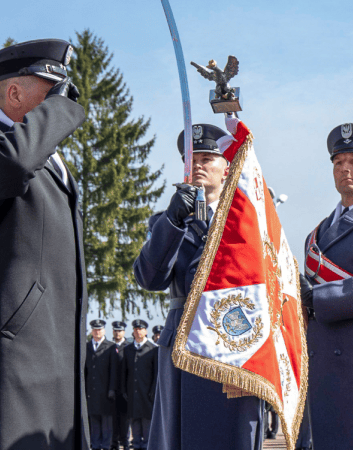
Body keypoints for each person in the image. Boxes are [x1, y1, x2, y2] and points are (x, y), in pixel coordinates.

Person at [0, 38, 89, 450]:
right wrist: (59, 111)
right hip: (14, 346)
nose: (62, 102)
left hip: (58, 346)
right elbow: (10, 165)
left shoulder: (51, 162)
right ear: (14, 93)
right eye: (51, 91)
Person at [134, 123, 265, 450]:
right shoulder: (165, 220)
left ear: (227, 168)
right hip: (183, 341)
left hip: (232, 340)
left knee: (233, 435)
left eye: (208, 158)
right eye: (192, 158)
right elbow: (150, 278)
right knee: (181, 437)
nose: (199, 164)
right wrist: (173, 222)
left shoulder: (247, 220)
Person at [297, 123, 353, 449]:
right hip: (318, 361)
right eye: (338, 162)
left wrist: (316, 297)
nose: (345, 169)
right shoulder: (315, 233)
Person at [121, 320, 157, 450]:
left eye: (141, 329)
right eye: (136, 329)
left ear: (145, 331)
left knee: (147, 421)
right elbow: (124, 372)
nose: (138, 331)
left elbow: (156, 373)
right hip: (132, 392)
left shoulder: (152, 349)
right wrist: (124, 389)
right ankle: (136, 445)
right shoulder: (128, 349)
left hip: (147, 393)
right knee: (134, 421)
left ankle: (147, 446)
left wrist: (154, 390)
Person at [85, 320, 116, 450]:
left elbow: (114, 370)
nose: (97, 332)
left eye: (100, 329)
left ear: (104, 330)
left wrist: (112, 389)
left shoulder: (110, 346)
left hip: (105, 392)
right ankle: (96, 445)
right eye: (95, 329)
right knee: (94, 421)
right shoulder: (86, 346)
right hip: (91, 391)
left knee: (106, 423)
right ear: (92, 331)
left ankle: (106, 446)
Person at [109, 321, 129, 450]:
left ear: (124, 332)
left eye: (120, 331)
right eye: (115, 330)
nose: (117, 333)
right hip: (110, 389)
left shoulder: (128, 347)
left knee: (125, 418)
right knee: (112, 418)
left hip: (124, 389)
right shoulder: (109, 347)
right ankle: (114, 443)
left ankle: (125, 443)